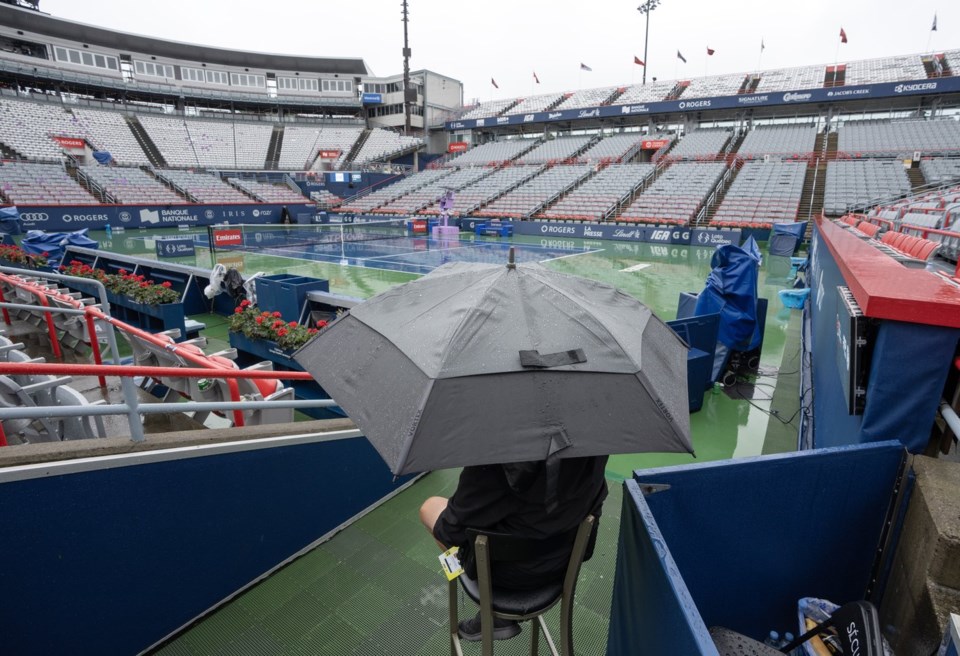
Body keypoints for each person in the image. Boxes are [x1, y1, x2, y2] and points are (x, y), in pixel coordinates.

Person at [419, 455, 608, 642]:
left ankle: (485, 603)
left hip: (507, 575)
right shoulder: (594, 444)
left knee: (429, 507)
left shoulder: (502, 454)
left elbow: (450, 531)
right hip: (565, 561)